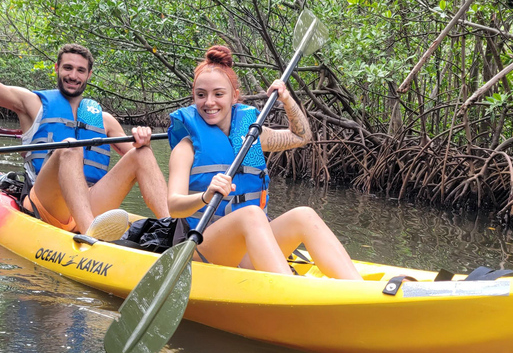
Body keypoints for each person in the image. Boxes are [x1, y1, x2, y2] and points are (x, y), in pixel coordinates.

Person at [167, 45, 362, 279]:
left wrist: (287, 100)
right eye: (201, 95)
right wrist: (205, 196)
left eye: (218, 94)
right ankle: (291, 293)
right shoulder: (186, 148)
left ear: (234, 97)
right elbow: (174, 206)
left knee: (304, 214)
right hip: (203, 247)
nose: (209, 102)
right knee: (251, 214)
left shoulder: (251, 138)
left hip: (247, 252)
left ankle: (357, 288)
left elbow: (302, 137)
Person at [0, 44, 169, 238]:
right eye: (68, 68)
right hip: (46, 202)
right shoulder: (31, 103)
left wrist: (143, 138)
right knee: (70, 147)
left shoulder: (104, 120)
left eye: (80, 70)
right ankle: (91, 234)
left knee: (143, 154)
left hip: (91, 201)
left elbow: (140, 158)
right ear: (57, 68)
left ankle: (171, 227)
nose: (73, 75)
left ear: (89, 75)